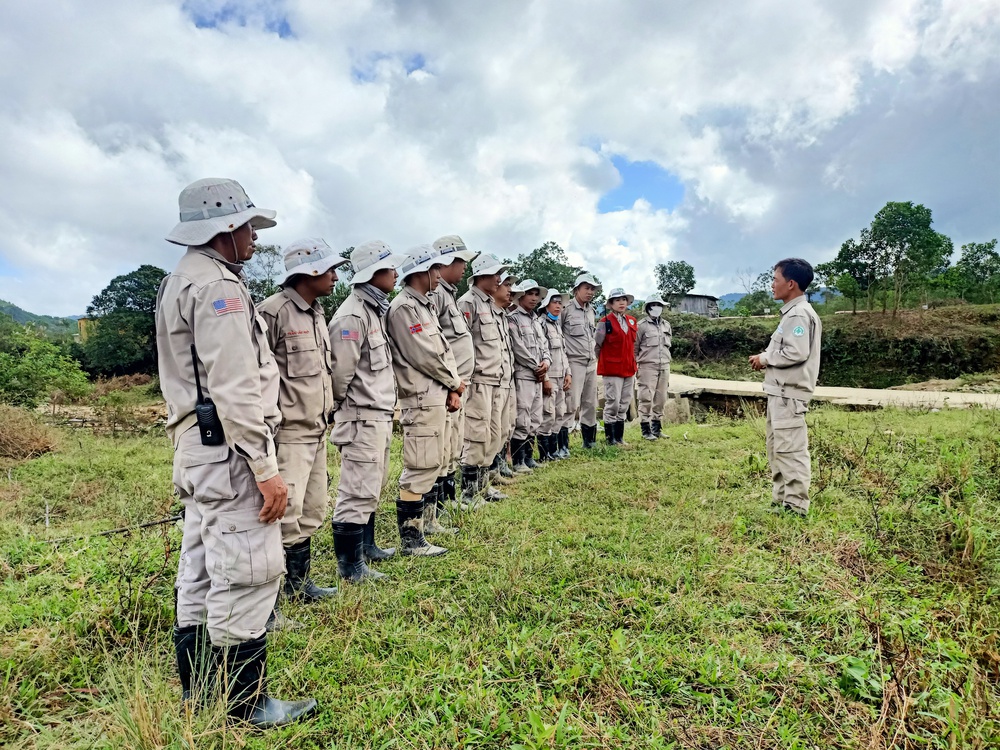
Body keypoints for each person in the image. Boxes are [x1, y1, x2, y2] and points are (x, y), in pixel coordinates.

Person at [157, 177, 316, 728]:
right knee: (249, 568)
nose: (254, 237)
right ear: (225, 228)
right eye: (248, 226)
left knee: (201, 568)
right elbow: (235, 387)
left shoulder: (182, 280)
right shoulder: (218, 290)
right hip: (229, 452)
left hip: (199, 450)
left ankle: (200, 694)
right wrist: (266, 468)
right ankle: (243, 705)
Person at [257, 239, 346, 605]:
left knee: (310, 511)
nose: (335, 277)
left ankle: (298, 583)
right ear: (308, 272)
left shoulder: (317, 312)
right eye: (329, 270)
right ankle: (268, 599)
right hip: (289, 432)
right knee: (282, 514)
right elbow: (257, 374)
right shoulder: (272, 312)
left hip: (316, 429)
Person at [327, 240, 407, 581]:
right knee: (356, 490)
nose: (396, 273)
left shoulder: (373, 311)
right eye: (390, 268)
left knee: (372, 485)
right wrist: (351, 409)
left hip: (377, 414)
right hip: (360, 415)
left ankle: (367, 548)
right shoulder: (351, 315)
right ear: (374, 273)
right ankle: (351, 566)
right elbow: (339, 375)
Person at [385, 245, 464, 556]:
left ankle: (427, 524)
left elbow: (443, 351)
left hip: (437, 394)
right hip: (420, 396)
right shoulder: (404, 308)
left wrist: (453, 388)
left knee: (432, 461)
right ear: (420, 272)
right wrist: (455, 383)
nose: (438, 275)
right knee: (420, 464)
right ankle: (411, 539)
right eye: (434, 270)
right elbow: (425, 356)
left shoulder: (425, 305)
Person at [749, 258, 822, 517]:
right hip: (779, 393)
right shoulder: (791, 313)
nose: (772, 285)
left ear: (791, 284)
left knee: (790, 451)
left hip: (789, 395)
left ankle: (796, 507)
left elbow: (796, 351)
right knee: (777, 448)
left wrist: (765, 358)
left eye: (775, 280)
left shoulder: (799, 314)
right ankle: (780, 501)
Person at [429, 236, 486, 514]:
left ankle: (446, 501)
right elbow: (435, 344)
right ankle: (436, 506)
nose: (465, 266)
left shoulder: (448, 293)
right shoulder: (437, 294)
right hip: (446, 386)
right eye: (461, 261)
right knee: (441, 448)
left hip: (458, 385)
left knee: (452, 445)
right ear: (446, 261)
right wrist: (451, 384)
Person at [457, 252, 511, 504]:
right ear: (481, 276)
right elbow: (461, 344)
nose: (499, 279)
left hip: (497, 380)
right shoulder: (467, 303)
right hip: (479, 381)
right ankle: (470, 493)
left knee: (495, 434)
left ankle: (482, 486)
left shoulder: (491, 305)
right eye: (495, 274)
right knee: (476, 436)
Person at [508, 279, 551, 469]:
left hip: (538, 375)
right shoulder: (513, 318)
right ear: (520, 296)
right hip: (524, 374)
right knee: (522, 416)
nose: (534, 298)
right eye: (530, 294)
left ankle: (528, 458)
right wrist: (537, 366)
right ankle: (518, 460)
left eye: (536, 294)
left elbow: (544, 346)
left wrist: (546, 363)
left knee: (535, 417)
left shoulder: (536, 320)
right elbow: (518, 348)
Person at [562, 273, 601, 449]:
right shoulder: (566, 309)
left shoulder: (592, 310)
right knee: (571, 403)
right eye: (587, 288)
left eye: (592, 289)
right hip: (574, 362)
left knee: (591, 403)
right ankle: (562, 445)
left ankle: (589, 441)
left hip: (590, 362)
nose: (590, 292)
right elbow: (557, 335)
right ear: (577, 289)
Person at [596, 288, 638, 447]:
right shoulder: (604, 322)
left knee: (625, 402)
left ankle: (619, 438)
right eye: (617, 300)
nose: (621, 303)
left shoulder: (632, 321)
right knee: (612, 402)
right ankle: (610, 439)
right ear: (611, 304)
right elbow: (597, 345)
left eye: (624, 300)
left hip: (629, 368)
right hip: (612, 369)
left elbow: (634, 345)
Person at [490, 271, 520, 478]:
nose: (509, 290)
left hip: (506, 378)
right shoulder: (472, 306)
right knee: (487, 429)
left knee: (505, 425)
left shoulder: (502, 315)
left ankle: (498, 466)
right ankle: (486, 472)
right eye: (506, 285)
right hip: (487, 380)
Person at [537, 290, 571, 460]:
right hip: (550, 376)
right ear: (546, 304)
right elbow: (541, 353)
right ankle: (544, 454)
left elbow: (563, 352)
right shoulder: (541, 323)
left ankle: (553, 450)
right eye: (555, 302)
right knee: (547, 414)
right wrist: (546, 379)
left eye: (560, 303)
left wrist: (568, 373)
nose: (558, 306)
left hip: (561, 375)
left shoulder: (557, 325)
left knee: (560, 412)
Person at [634, 292, 672, 441]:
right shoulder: (641, 326)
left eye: (659, 305)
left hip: (664, 365)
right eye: (654, 305)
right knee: (646, 397)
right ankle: (645, 429)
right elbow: (635, 347)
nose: (657, 308)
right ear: (648, 307)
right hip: (647, 366)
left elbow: (668, 346)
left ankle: (657, 428)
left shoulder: (666, 325)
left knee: (661, 398)